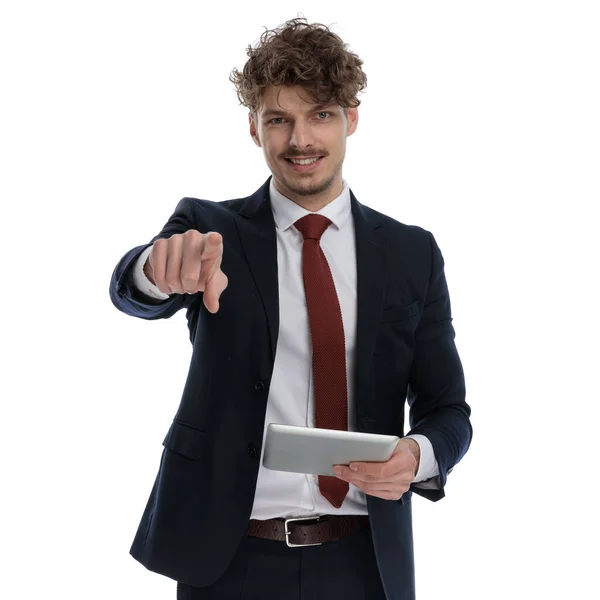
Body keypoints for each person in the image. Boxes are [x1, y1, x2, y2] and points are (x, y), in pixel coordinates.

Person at [109, 16, 472, 600]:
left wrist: (417, 455)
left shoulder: (412, 253)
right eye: (279, 119)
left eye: (320, 115)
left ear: (352, 118)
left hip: (364, 564)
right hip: (229, 562)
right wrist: (155, 270)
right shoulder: (210, 229)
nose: (300, 140)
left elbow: (449, 409)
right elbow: (134, 289)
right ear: (254, 129)